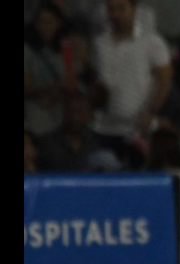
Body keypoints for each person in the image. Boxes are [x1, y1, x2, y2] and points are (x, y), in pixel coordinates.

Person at [90, 0, 172, 166]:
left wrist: (151, 111)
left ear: (134, 10)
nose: (116, 14)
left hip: (137, 130)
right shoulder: (99, 44)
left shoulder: (152, 42)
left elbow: (165, 79)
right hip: (104, 127)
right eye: (111, 9)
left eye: (121, 8)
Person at [37, 92, 121, 171]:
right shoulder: (47, 142)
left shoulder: (98, 142)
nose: (75, 117)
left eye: (80, 112)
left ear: (89, 115)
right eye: (70, 111)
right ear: (64, 113)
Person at [24, 2, 70, 136]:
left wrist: (54, 97)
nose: (43, 27)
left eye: (49, 23)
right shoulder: (27, 50)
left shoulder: (65, 51)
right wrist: (51, 87)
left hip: (60, 120)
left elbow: (70, 84)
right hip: (34, 122)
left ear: (59, 24)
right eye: (40, 22)